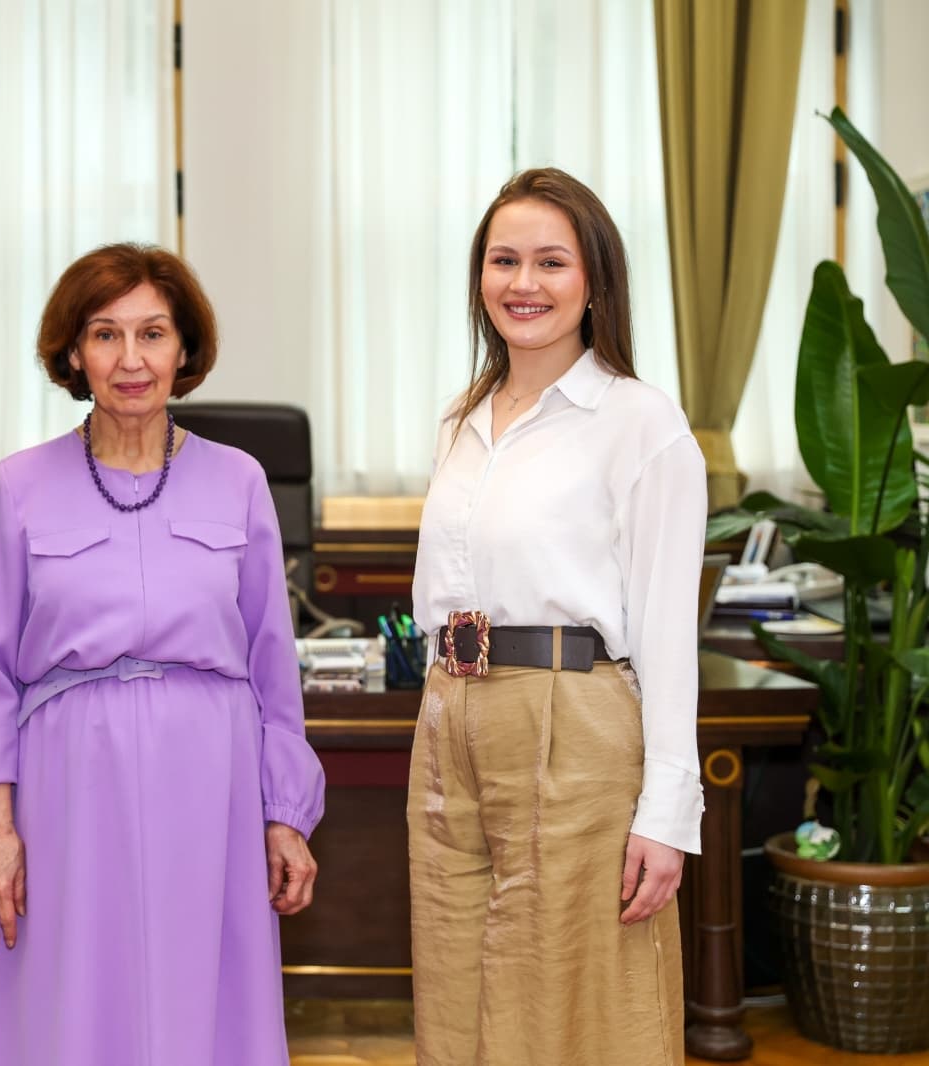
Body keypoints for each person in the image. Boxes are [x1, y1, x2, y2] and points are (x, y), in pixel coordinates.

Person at [0, 242, 326, 1065]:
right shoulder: (20, 485)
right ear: (73, 353)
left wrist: (286, 816)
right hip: (68, 785)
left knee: (203, 1003)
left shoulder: (240, 480)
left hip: (213, 784)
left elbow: (272, 666)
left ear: (184, 350)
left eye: (152, 333)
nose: (130, 359)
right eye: (104, 334)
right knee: (74, 1002)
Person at [408, 168, 706, 1066]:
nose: (523, 283)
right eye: (503, 260)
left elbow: (667, 638)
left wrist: (667, 813)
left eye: (551, 262)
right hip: (450, 711)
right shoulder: (461, 420)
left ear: (594, 281)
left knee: (575, 997)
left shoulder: (641, 423)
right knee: (453, 986)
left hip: (571, 717)